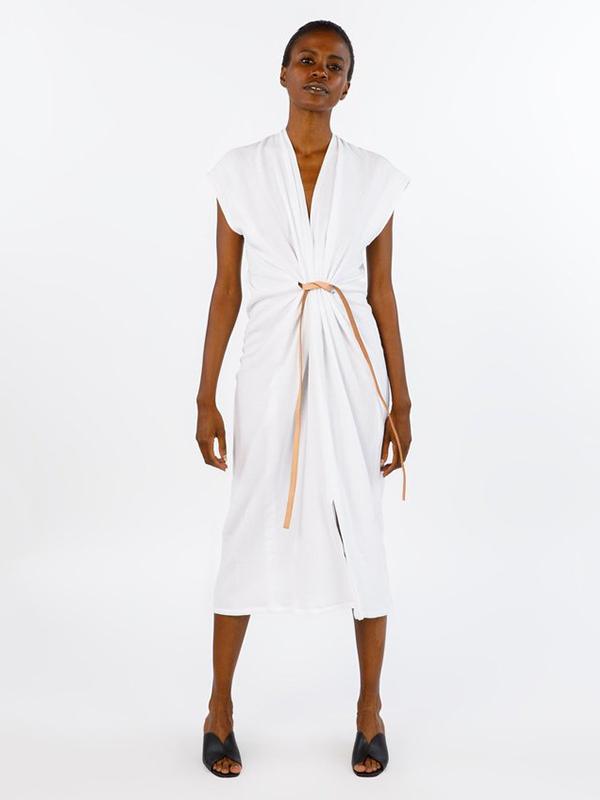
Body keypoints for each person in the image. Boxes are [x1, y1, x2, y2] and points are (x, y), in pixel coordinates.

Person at [196, 19, 412, 778]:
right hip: (267, 365)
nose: (320, 72)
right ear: (283, 73)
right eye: (307, 60)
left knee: (362, 526)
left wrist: (401, 402)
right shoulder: (241, 172)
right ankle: (219, 708)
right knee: (248, 521)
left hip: (350, 369)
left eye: (335, 65)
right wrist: (205, 395)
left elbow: (382, 294)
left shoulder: (374, 178)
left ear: (348, 86)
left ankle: (370, 710)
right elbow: (226, 290)